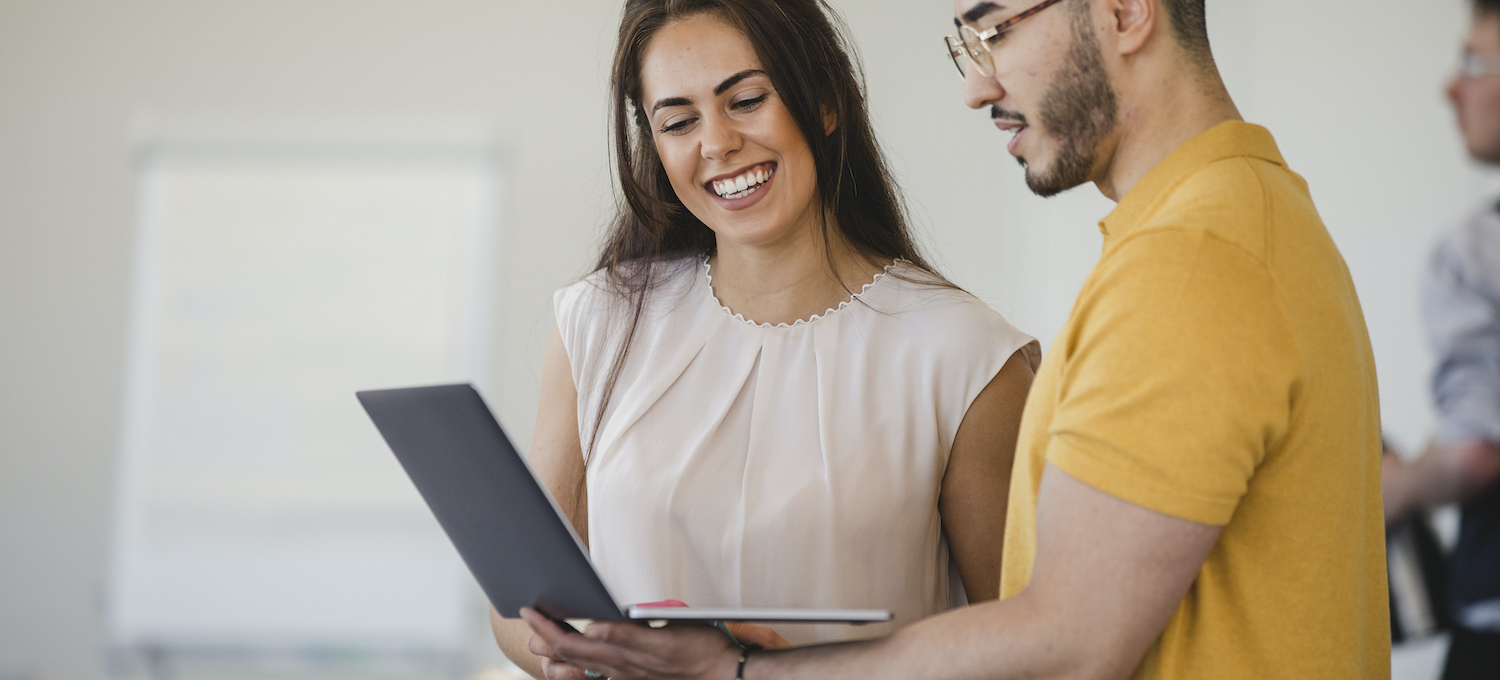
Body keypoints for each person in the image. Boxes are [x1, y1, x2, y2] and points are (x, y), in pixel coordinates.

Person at [521, 0, 1390, 677]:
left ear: (1126, 12)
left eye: (995, 30)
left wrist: (740, 672)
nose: (977, 85)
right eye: (676, 120)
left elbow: (1060, 645)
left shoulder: (1191, 263)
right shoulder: (1231, 229)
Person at [490, 0, 1040, 677]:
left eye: (746, 100)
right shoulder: (598, 323)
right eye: (679, 121)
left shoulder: (967, 358)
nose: (715, 143)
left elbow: (1026, 647)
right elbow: (519, 600)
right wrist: (573, 661)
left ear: (828, 100)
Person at [1381, 0, 1500, 674]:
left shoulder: (1477, 252)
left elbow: (1472, 454)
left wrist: (1388, 487)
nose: (1451, 86)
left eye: (1476, 62)